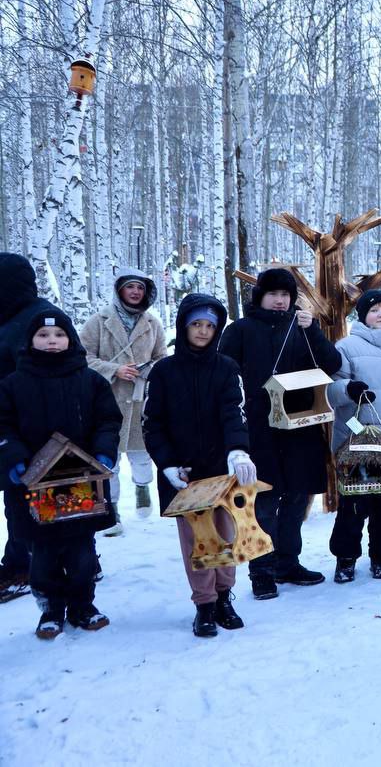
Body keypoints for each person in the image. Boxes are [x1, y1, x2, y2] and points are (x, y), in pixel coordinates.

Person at [218, 268, 342, 600]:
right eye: (273, 294)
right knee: (263, 501)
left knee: (297, 498)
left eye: (285, 295)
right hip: (258, 429)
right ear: (260, 297)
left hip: (300, 427)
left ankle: (288, 562)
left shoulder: (301, 328)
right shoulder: (241, 330)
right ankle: (261, 570)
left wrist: (313, 330)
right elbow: (223, 374)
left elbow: (331, 363)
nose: (280, 300)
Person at [0, 308, 121, 638]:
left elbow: (108, 420)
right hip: (31, 485)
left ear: (70, 340)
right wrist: (13, 458)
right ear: (30, 340)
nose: (51, 341)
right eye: (43, 335)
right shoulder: (12, 384)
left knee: (81, 551)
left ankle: (83, 605)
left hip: (79, 482)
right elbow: (3, 425)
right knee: (43, 555)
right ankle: (51, 608)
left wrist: (103, 451)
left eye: (59, 335)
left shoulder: (90, 381)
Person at [142, 293, 254, 637]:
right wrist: (167, 464)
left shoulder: (226, 368)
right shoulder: (163, 371)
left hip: (222, 471)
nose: (203, 331)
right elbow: (152, 423)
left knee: (226, 535)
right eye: (197, 324)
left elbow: (234, 412)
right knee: (196, 540)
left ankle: (224, 597)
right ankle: (204, 604)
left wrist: (237, 450)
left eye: (209, 325)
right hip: (185, 475)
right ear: (184, 326)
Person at [327, 290, 381, 583]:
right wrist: (347, 389)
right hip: (359, 441)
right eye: (374, 310)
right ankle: (346, 559)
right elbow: (331, 390)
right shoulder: (347, 346)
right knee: (353, 506)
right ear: (363, 315)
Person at [80, 269, 168, 529]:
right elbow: (82, 357)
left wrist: (146, 371)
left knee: (142, 454)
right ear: (120, 290)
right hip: (107, 400)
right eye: (130, 287)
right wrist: (114, 370)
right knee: (110, 458)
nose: (135, 292)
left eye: (140, 288)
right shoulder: (98, 321)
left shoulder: (152, 323)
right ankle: (112, 507)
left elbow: (162, 358)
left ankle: (142, 487)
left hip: (142, 399)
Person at [0, 254, 55, 603]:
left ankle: (26, 567)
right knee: (17, 499)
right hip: (11, 428)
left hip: (34, 427)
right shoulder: (9, 317)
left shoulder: (34, 319)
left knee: (32, 501)